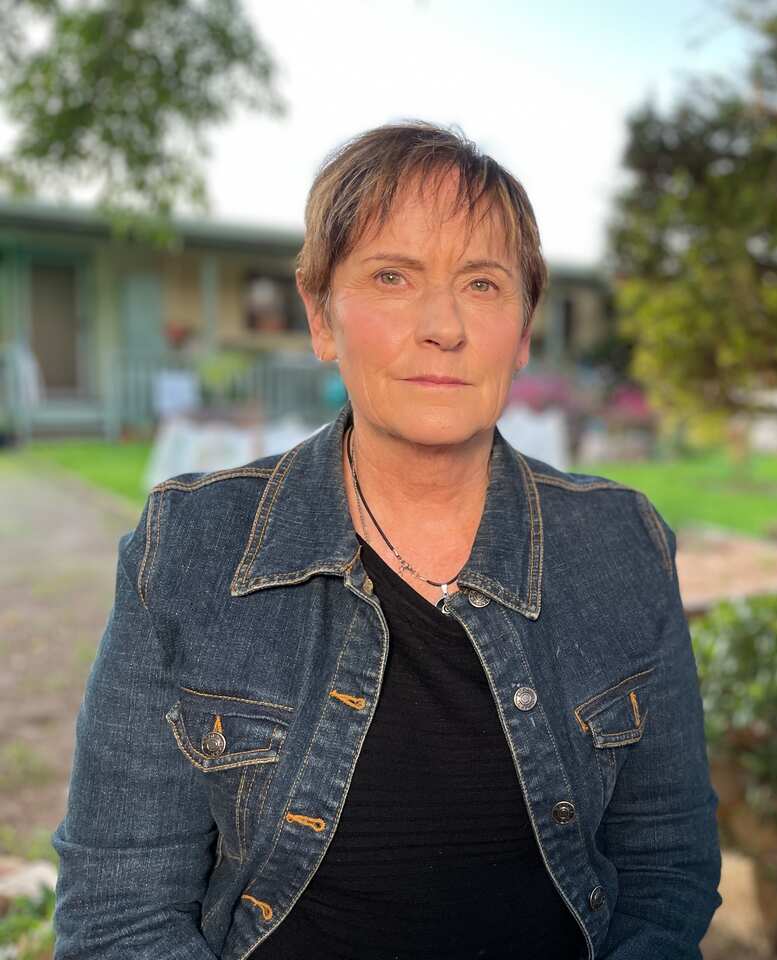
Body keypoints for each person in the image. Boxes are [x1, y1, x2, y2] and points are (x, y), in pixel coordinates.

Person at [52, 121, 722, 959]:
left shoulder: (620, 546)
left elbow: (667, 870)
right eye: (393, 276)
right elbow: (119, 913)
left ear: (522, 332)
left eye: (482, 284)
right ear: (322, 316)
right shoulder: (191, 548)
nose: (443, 325)